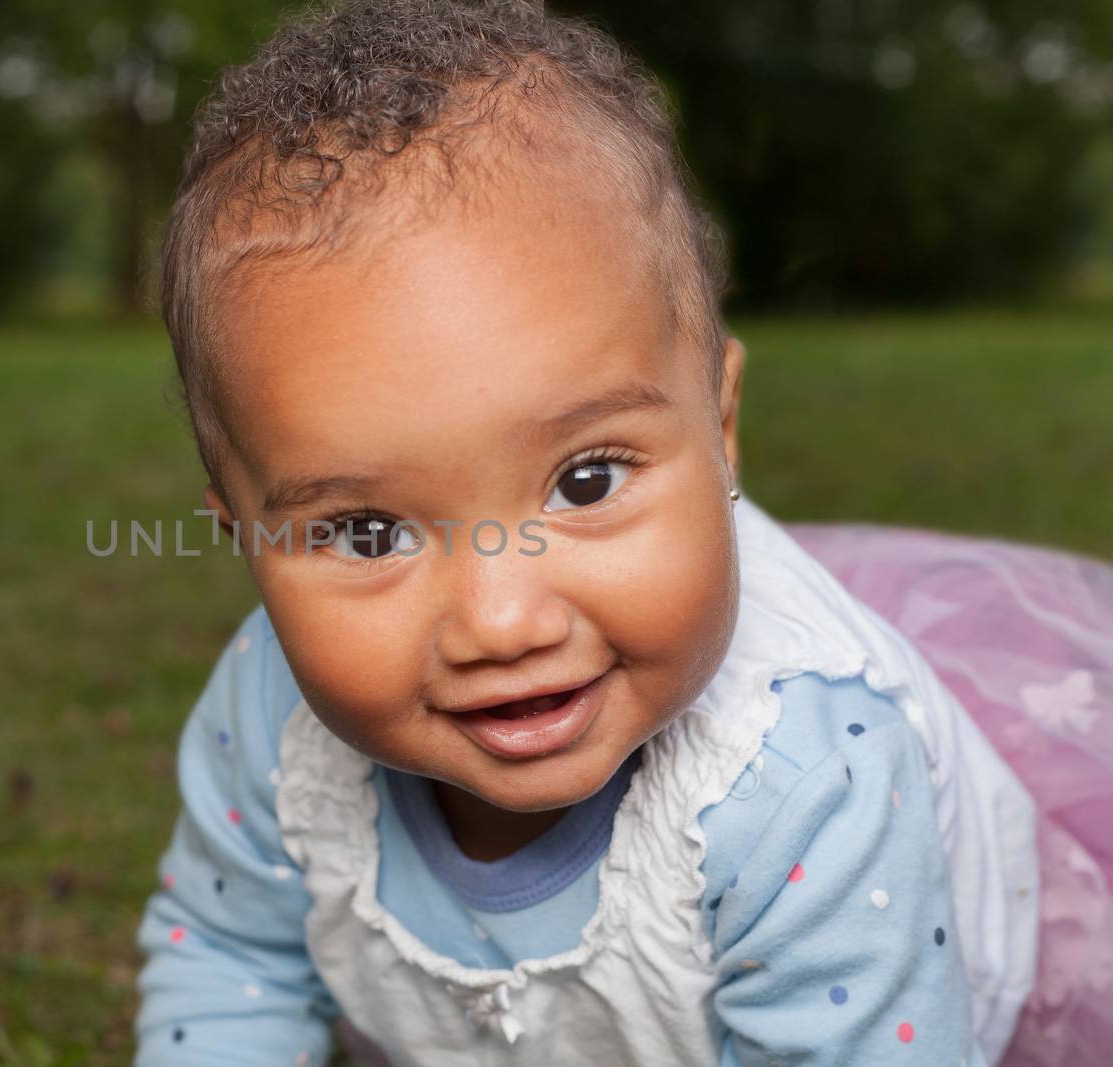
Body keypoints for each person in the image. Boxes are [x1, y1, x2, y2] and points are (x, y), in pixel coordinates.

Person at [131, 1, 1113, 1063]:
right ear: (248, 541)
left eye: (585, 478)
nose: (500, 618)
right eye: (368, 534)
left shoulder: (800, 771)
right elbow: (230, 953)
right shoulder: (269, 711)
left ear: (720, 422)